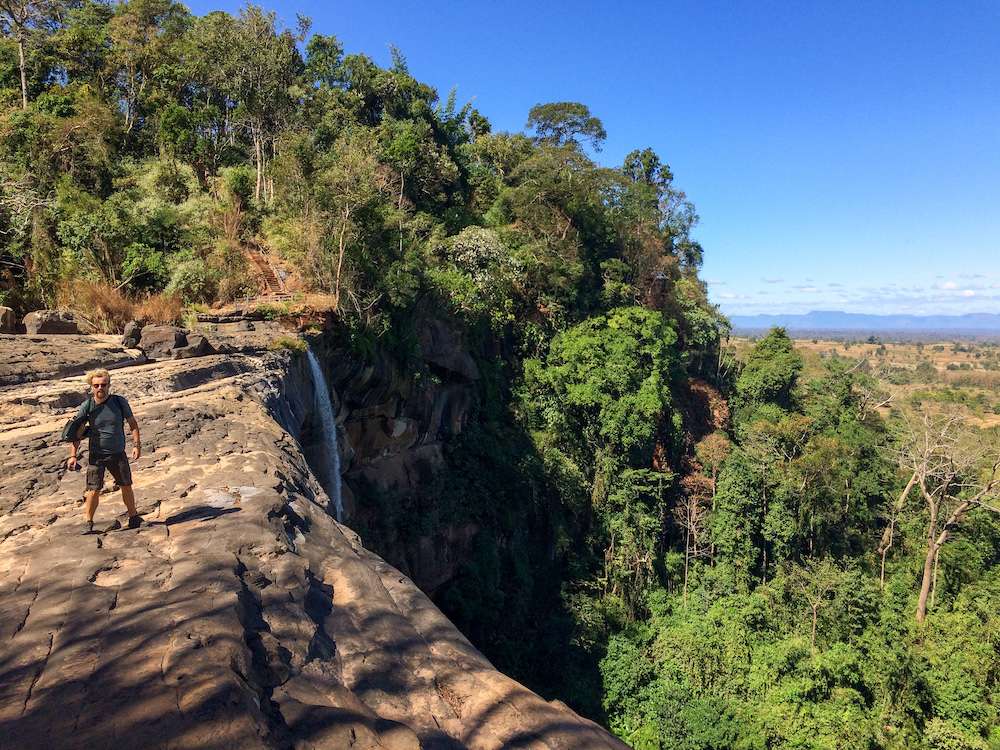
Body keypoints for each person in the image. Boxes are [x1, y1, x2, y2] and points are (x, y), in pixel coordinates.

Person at [67, 368, 148, 534]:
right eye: (96, 385)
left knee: (126, 485)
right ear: (91, 387)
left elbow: (132, 424)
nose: (100, 388)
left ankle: (134, 518)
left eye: (103, 384)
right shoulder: (87, 406)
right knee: (94, 489)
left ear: (109, 385)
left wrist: (137, 445)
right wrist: (73, 455)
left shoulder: (119, 402)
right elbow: (77, 432)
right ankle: (88, 522)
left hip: (118, 452)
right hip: (96, 454)